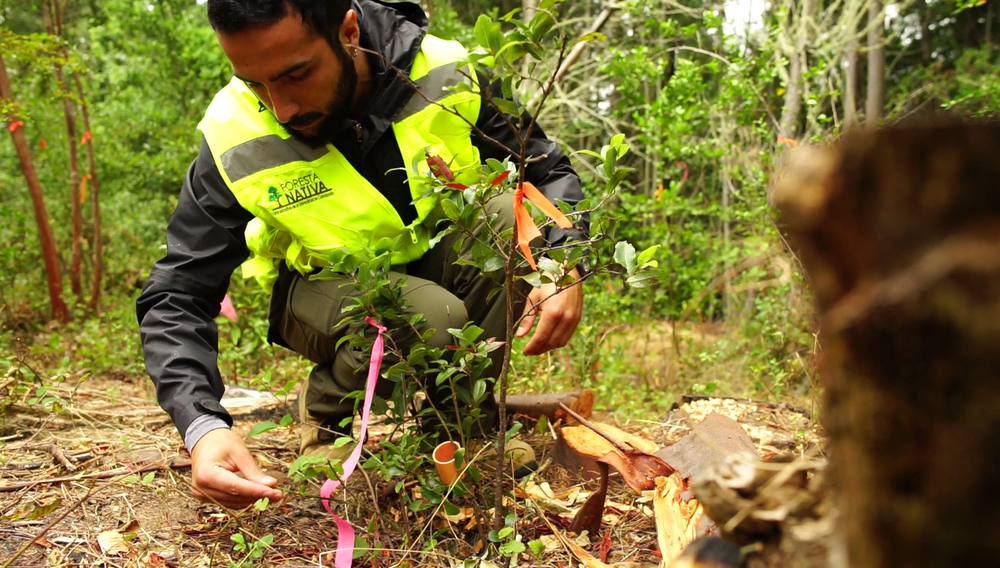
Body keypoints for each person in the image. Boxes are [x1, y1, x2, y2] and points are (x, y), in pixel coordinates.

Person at [136, 0, 588, 510]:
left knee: (506, 216)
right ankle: (324, 414)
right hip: (321, 288)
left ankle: (463, 428)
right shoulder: (234, 133)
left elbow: (544, 171)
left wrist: (563, 262)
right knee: (427, 314)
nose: (281, 109)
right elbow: (177, 293)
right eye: (254, 83)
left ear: (349, 31)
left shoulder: (446, 72)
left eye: (296, 74)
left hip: (433, 257)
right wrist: (201, 426)